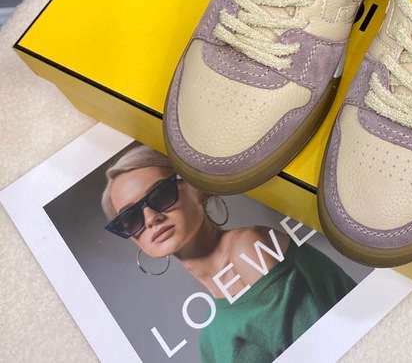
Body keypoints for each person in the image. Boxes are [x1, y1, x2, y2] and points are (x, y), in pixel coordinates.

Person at [101, 145, 356, 362]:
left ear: (197, 185)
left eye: (160, 194)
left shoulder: (249, 249)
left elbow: (327, 353)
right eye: (130, 218)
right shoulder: (208, 338)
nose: (150, 218)